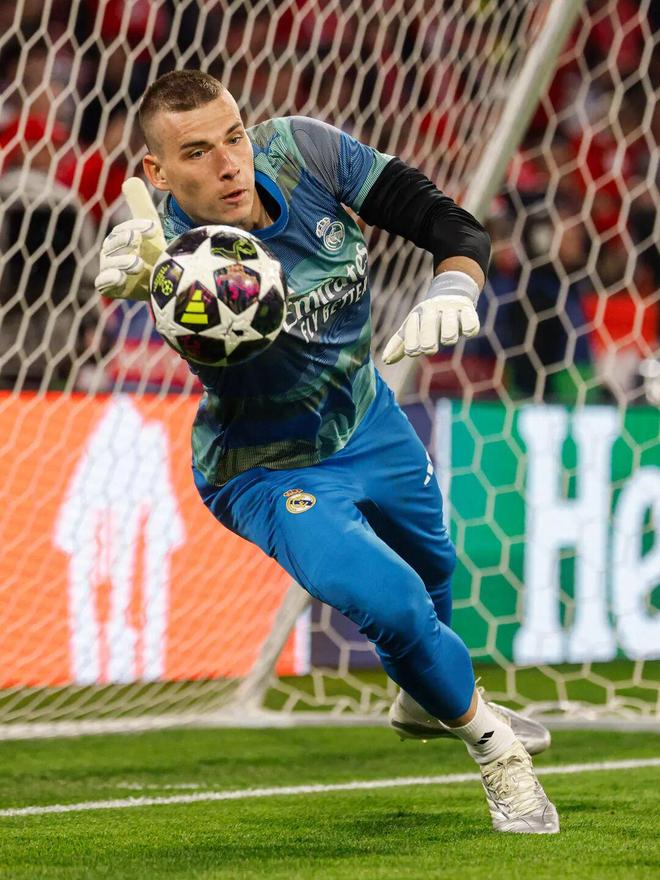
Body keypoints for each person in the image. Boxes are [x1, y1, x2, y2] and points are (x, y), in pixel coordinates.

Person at [95, 70, 559, 834]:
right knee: (391, 601)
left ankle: (423, 698)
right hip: (268, 468)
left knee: (435, 574)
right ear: (159, 172)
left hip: (369, 420)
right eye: (198, 152)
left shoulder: (305, 153)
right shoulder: (172, 259)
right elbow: (157, 270)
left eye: (234, 137)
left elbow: (449, 223)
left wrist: (454, 287)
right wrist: (148, 277)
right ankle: (499, 752)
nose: (229, 164)